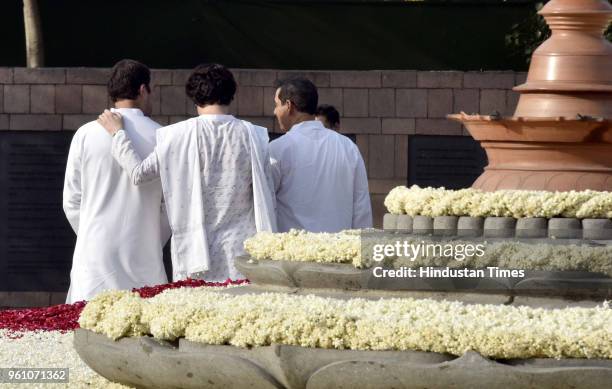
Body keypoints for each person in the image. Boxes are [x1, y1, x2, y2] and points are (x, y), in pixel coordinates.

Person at [98, 63, 276, 282]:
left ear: (194, 96)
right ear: (231, 94)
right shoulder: (254, 135)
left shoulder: (176, 135)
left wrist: (118, 135)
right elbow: (267, 191)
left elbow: (138, 174)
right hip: (242, 250)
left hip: (195, 249)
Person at [63, 59, 171, 303]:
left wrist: (91, 234)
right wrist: (151, 239)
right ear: (143, 90)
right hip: (144, 257)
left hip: (93, 259)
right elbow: (170, 206)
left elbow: (71, 201)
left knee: (84, 331)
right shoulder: (162, 137)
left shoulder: (85, 134)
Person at [270, 78, 372, 233]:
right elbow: (361, 207)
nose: (274, 111)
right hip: (339, 251)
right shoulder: (348, 147)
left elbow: (265, 206)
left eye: (277, 105)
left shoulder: (276, 150)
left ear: (289, 106)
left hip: (290, 253)